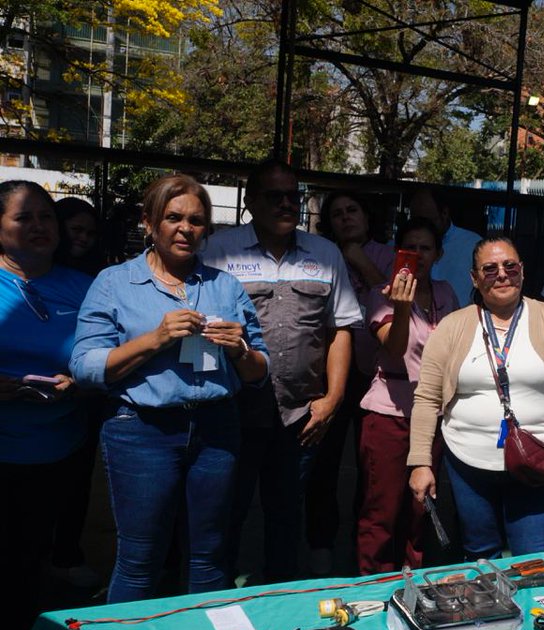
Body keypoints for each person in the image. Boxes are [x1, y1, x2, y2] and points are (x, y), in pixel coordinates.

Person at [71, 175, 269, 603]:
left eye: (196, 221)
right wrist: (155, 339)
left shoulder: (224, 286)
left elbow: (259, 371)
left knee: (209, 555)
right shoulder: (114, 283)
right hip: (142, 431)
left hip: (216, 430)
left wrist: (238, 350)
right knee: (141, 559)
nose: (185, 228)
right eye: (173, 217)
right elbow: (85, 368)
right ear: (149, 222)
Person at [202, 160, 361, 583]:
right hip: (232, 413)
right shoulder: (219, 250)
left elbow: (340, 330)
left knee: (286, 516)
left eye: (294, 195)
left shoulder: (324, 254)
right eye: (275, 196)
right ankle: (218, 598)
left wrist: (333, 399)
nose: (287, 204)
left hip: (299, 416)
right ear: (251, 201)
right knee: (225, 513)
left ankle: (279, 599)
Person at [407, 236, 544, 559]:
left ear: (522, 271)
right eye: (490, 268)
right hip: (467, 462)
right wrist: (420, 462)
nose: (501, 274)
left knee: (536, 559)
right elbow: (427, 398)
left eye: (510, 266)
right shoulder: (452, 327)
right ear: (474, 278)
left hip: (536, 462)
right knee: (480, 553)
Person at [0, 181, 92, 630]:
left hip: (59, 450)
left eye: (46, 217)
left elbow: (104, 354)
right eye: (23, 218)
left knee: (28, 564)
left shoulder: (84, 287)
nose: (38, 226)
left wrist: (81, 380)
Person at [357, 217, 459, 573]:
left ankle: (411, 581)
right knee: (382, 510)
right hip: (390, 413)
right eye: (410, 248)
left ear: (438, 254)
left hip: (431, 416)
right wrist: (401, 307)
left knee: (420, 508)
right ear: (398, 253)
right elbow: (395, 347)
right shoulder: (381, 294)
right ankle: (374, 584)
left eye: (425, 248)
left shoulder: (446, 293)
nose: (418, 255)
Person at [307, 191, 393, 575]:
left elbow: (397, 304)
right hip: (329, 374)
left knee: (371, 469)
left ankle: (365, 551)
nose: (345, 217)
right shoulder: (320, 256)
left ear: (367, 216)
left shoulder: (389, 257)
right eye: (337, 213)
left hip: (378, 378)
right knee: (323, 466)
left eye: (352, 209)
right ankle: (320, 545)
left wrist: (360, 261)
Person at [48, 196, 107, 589]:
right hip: (21, 405)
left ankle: (66, 553)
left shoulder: (98, 281)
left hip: (81, 401)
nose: (83, 238)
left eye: (90, 232)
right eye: (75, 230)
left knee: (75, 482)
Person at [411, 187, 480, 308]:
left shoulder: (473, 244)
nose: (423, 227)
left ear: (444, 213)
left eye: (428, 220)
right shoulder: (403, 246)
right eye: (416, 221)